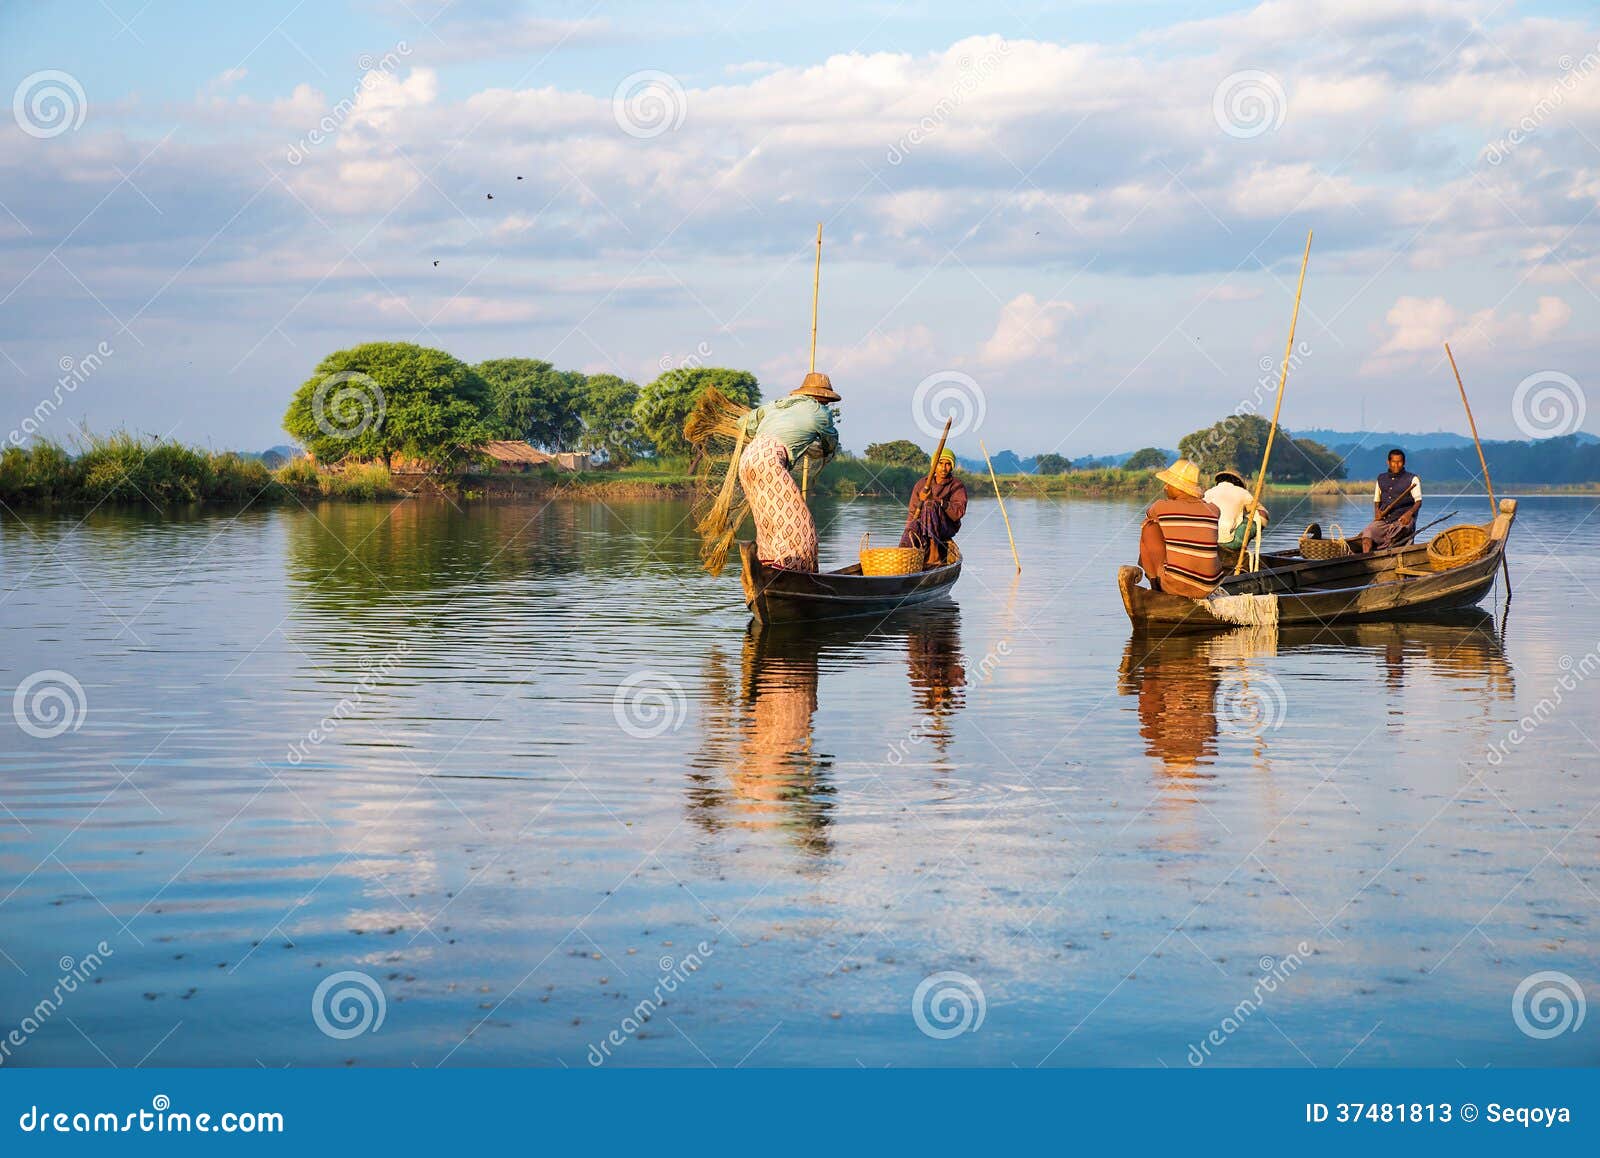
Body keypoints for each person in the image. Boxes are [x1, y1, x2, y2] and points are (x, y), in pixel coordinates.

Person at [735, 372, 840, 571]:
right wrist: (817, 448)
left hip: (748, 458)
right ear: (824, 398)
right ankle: (793, 574)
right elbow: (830, 442)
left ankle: (769, 570)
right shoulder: (821, 412)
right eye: (827, 401)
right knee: (800, 527)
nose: (827, 405)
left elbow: (743, 424)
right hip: (769, 462)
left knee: (769, 524)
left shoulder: (778, 405)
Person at [1138, 458, 1223, 597]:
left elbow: (1149, 514)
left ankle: (1155, 585)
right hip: (1209, 587)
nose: (1165, 487)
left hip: (1177, 585)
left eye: (1168, 484)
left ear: (1179, 487)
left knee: (1149, 526)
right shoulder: (1214, 509)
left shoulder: (1161, 507)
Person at [900, 448, 968, 563]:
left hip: (946, 527)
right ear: (934, 465)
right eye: (940, 463)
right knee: (911, 530)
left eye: (947, 464)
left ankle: (934, 552)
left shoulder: (956, 485)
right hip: (923, 525)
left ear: (951, 467)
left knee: (929, 505)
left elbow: (958, 513)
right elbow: (912, 512)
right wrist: (909, 531)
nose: (943, 468)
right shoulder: (922, 484)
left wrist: (936, 500)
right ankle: (903, 559)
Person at [1358, 448, 1422, 553]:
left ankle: (1386, 549)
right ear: (1388, 462)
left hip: (1403, 520)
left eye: (1399, 462)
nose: (1396, 465)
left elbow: (1418, 502)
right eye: (1393, 462)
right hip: (1384, 520)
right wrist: (1377, 512)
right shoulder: (1381, 478)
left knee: (1397, 533)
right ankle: (1366, 560)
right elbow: (1376, 500)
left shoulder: (1412, 479)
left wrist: (1409, 514)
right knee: (1367, 534)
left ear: (1404, 463)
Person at [1203, 470, 1269, 553]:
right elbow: (1264, 514)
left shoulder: (1207, 493)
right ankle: (1240, 549)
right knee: (1260, 516)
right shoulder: (1242, 492)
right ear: (1238, 482)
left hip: (1208, 541)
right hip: (1229, 542)